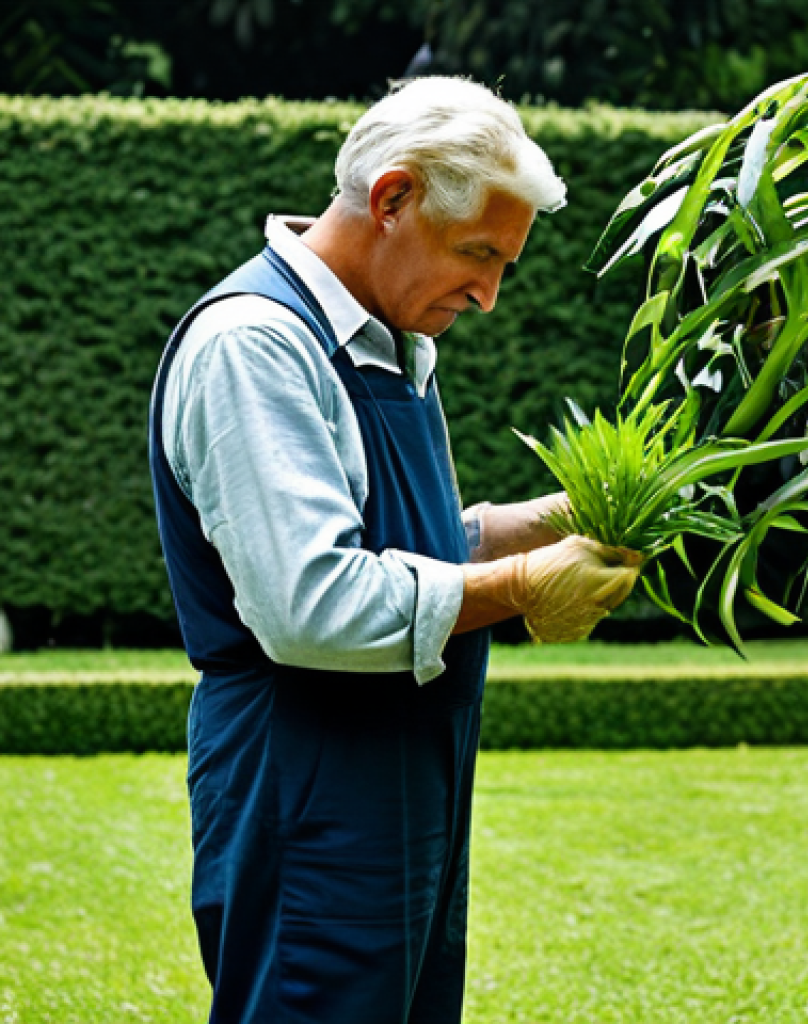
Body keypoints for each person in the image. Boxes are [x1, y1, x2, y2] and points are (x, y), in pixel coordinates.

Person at [149, 76, 641, 1024]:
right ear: (393, 198)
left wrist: (574, 516)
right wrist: (527, 586)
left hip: (409, 775)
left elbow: (414, 544)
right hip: (307, 780)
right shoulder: (256, 345)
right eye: (477, 254)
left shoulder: (397, 343)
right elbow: (313, 603)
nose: (490, 296)